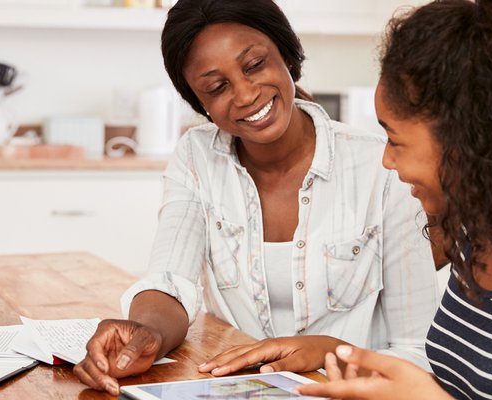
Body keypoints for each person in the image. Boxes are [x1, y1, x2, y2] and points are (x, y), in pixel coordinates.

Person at [73, 0, 439, 395]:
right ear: (202, 104)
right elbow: (171, 281)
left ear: (287, 55)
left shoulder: (380, 166)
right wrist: (147, 333)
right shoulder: (196, 156)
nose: (246, 94)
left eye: (254, 65)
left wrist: (331, 352)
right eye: (217, 87)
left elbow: (417, 351)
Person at [297, 0, 492, 399]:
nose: (386, 159)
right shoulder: (477, 238)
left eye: (395, 140)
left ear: (470, 139)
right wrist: (339, 354)